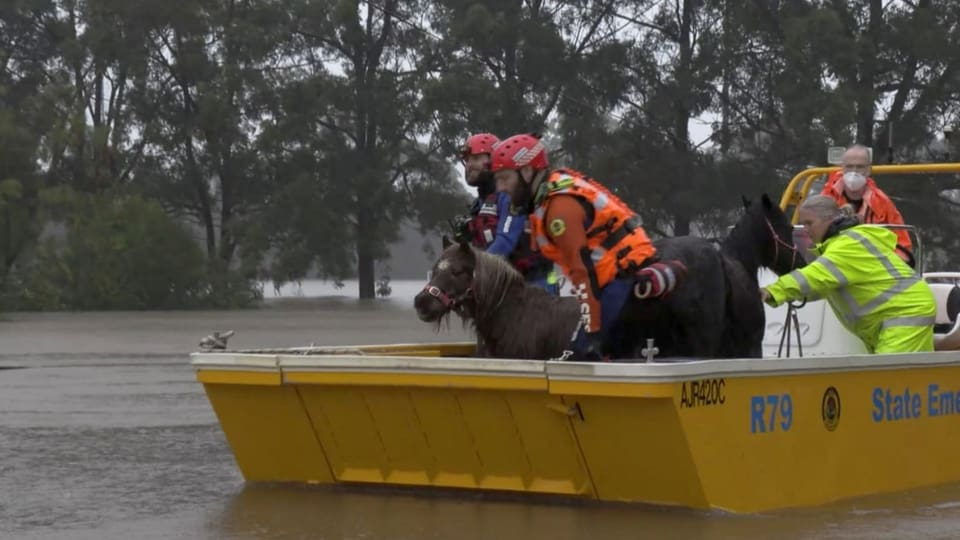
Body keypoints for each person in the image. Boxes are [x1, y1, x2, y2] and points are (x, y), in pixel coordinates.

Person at [490, 132, 688, 361]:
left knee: (582, 351)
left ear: (526, 172)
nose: (500, 188)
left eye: (504, 178)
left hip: (620, 272)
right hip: (608, 270)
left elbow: (581, 271)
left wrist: (590, 333)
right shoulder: (551, 190)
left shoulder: (559, 210)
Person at [761, 195, 936, 354]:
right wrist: (791, 294)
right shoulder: (845, 242)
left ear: (829, 220)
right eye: (802, 224)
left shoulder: (845, 246)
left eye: (809, 223)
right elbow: (822, 285)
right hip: (896, 313)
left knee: (886, 380)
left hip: (905, 312)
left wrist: (772, 291)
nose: (805, 229)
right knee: (906, 379)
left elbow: (814, 276)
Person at [453, 133, 559, 295]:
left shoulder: (511, 193)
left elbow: (505, 241)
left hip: (534, 286)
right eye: (467, 160)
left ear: (492, 158)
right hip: (503, 287)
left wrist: (475, 273)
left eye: (475, 158)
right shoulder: (478, 203)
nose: (469, 165)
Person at [820, 144, 913, 264]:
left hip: (872, 268)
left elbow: (903, 246)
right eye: (849, 166)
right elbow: (810, 238)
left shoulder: (883, 204)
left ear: (869, 170)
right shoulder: (826, 198)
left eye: (859, 167)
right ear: (842, 168)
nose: (854, 172)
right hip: (833, 265)